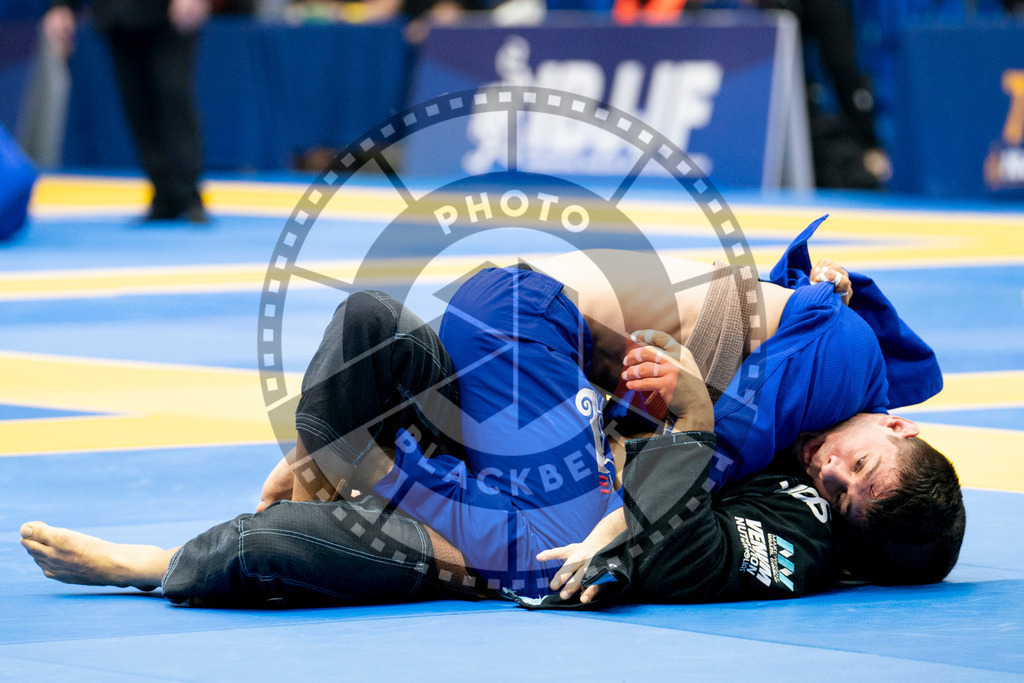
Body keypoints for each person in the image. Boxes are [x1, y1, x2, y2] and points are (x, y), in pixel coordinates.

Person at [21, 220, 964, 606]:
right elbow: (721, 434)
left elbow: (732, 451)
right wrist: (631, 511)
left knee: (367, 337)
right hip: (537, 362)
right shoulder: (848, 357)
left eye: (839, 494)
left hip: (514, 388)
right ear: (899, 429)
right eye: (860, 468)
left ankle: (210, 537)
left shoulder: (830, 436)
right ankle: (341, 471)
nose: (829, 472)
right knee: (545, 529)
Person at [43, 0, 210, 222]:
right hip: (118, 16)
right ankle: (164, 193)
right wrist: (62, 6)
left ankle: (188, 194)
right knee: (136, 104)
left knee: (174, 96)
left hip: (168, 16)